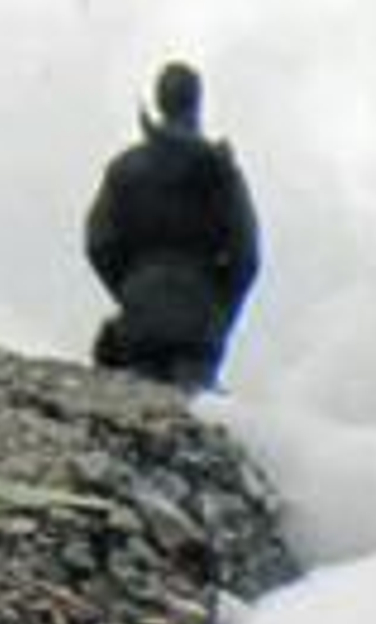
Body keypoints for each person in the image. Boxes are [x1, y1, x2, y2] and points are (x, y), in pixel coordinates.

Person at [85, 61, 260, 390]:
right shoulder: (220, 170)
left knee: (134, 407)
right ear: (197, 102)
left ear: (160, 101)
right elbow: (247, 256)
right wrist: (222, 310)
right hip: (201, 318)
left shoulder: (124, 169)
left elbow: (98, 244)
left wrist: (132, 287)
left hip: (140, 315)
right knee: (192, 413)